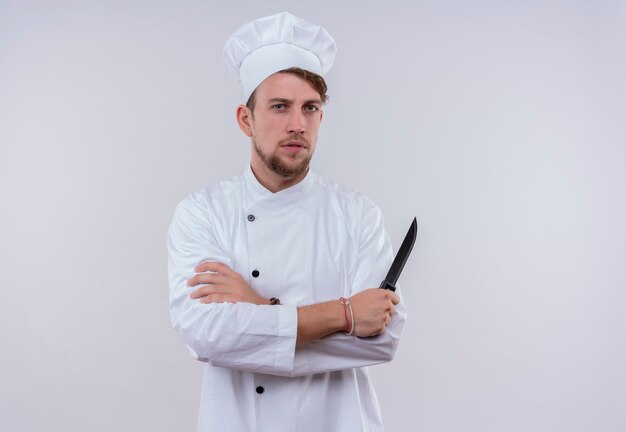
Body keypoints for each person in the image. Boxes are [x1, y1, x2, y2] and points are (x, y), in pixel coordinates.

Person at [168, 12, 406, 432]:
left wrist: (258, 312)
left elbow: (383, 339)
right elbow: (207, 333)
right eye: (280, 106)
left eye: (309, 108)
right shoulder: (202, 212)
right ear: (246, 119)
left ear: (321, 117)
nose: (297, 124)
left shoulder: (357, 215)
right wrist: (346, 314)